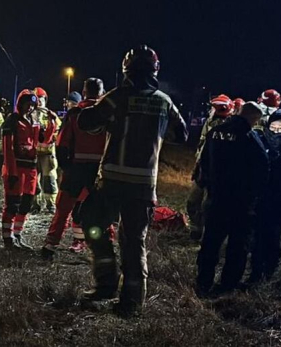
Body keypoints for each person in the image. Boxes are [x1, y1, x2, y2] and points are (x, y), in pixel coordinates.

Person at [77, 45, 187, 317]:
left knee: (92, 224)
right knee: (134, 240)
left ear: (126, 69)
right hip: (143, 186)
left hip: (112, 182)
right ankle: (131, 303)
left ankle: (106, 281)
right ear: (155, 70)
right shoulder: (164, 101)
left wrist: (94, 109)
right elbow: (181, 134)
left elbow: (87, 122)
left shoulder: (117, 98)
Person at [194, 102, 267, 297]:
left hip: (216, 199)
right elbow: (262, 168)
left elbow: (204, 163)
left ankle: (202, 283)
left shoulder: (215, 132)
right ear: (253, 119)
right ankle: (226, 286)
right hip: (240, 204)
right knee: (237, 247)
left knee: (210, 243)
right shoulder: (251, 138)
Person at [41, 78, 106, 259]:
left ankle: (50, 245)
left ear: (84, 93)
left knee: (63, 209)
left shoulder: (74, 114)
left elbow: (62, 144)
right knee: (99, 211)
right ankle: (99, 250)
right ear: (102, 93)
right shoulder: (108, 114)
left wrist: (66, 167)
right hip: (99, 171)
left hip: (76, 169)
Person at [1, 89, 56, 249]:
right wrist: (11, 172)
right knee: (12, 204)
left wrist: (51, 123)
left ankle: (17, 234)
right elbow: (7, 148)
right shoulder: (12, 120)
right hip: (16, 168)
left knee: (25, 203)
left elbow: (44, 140)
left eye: (32, 105)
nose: (30, 108)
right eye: (27, 104)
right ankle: (7, 238)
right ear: (20, 104)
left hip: (30, 168)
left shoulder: (34, 122)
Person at [249, 109, 281, 283]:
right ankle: (256, 273)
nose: (276, 128)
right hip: (261, 196)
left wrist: (279, 161)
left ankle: (268, 273)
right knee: (257, 237)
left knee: (273, 236)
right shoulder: (261, 139)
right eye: (274, 124)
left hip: (280, 198)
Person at [186, 94, 234, 240]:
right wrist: (197, 165)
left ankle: (208, 234)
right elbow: (202, 145)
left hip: (217, 172)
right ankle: (196, 228)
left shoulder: (232, 126)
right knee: (193, 201)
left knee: (209, 205)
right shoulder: (209, 122)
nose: (215, 111)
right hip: (203, 168)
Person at [33, 87, 62, 213]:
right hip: (33, 154)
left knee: (49, 180)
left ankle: (51, 206)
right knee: (33, 181)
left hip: (47, 154)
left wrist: (52, 136)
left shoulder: (51, 115)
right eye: (36, 98)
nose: (39, 101)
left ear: (45, 99)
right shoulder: (30, 114)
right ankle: (35, 205)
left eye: (41, 98)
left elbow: (59, 130)